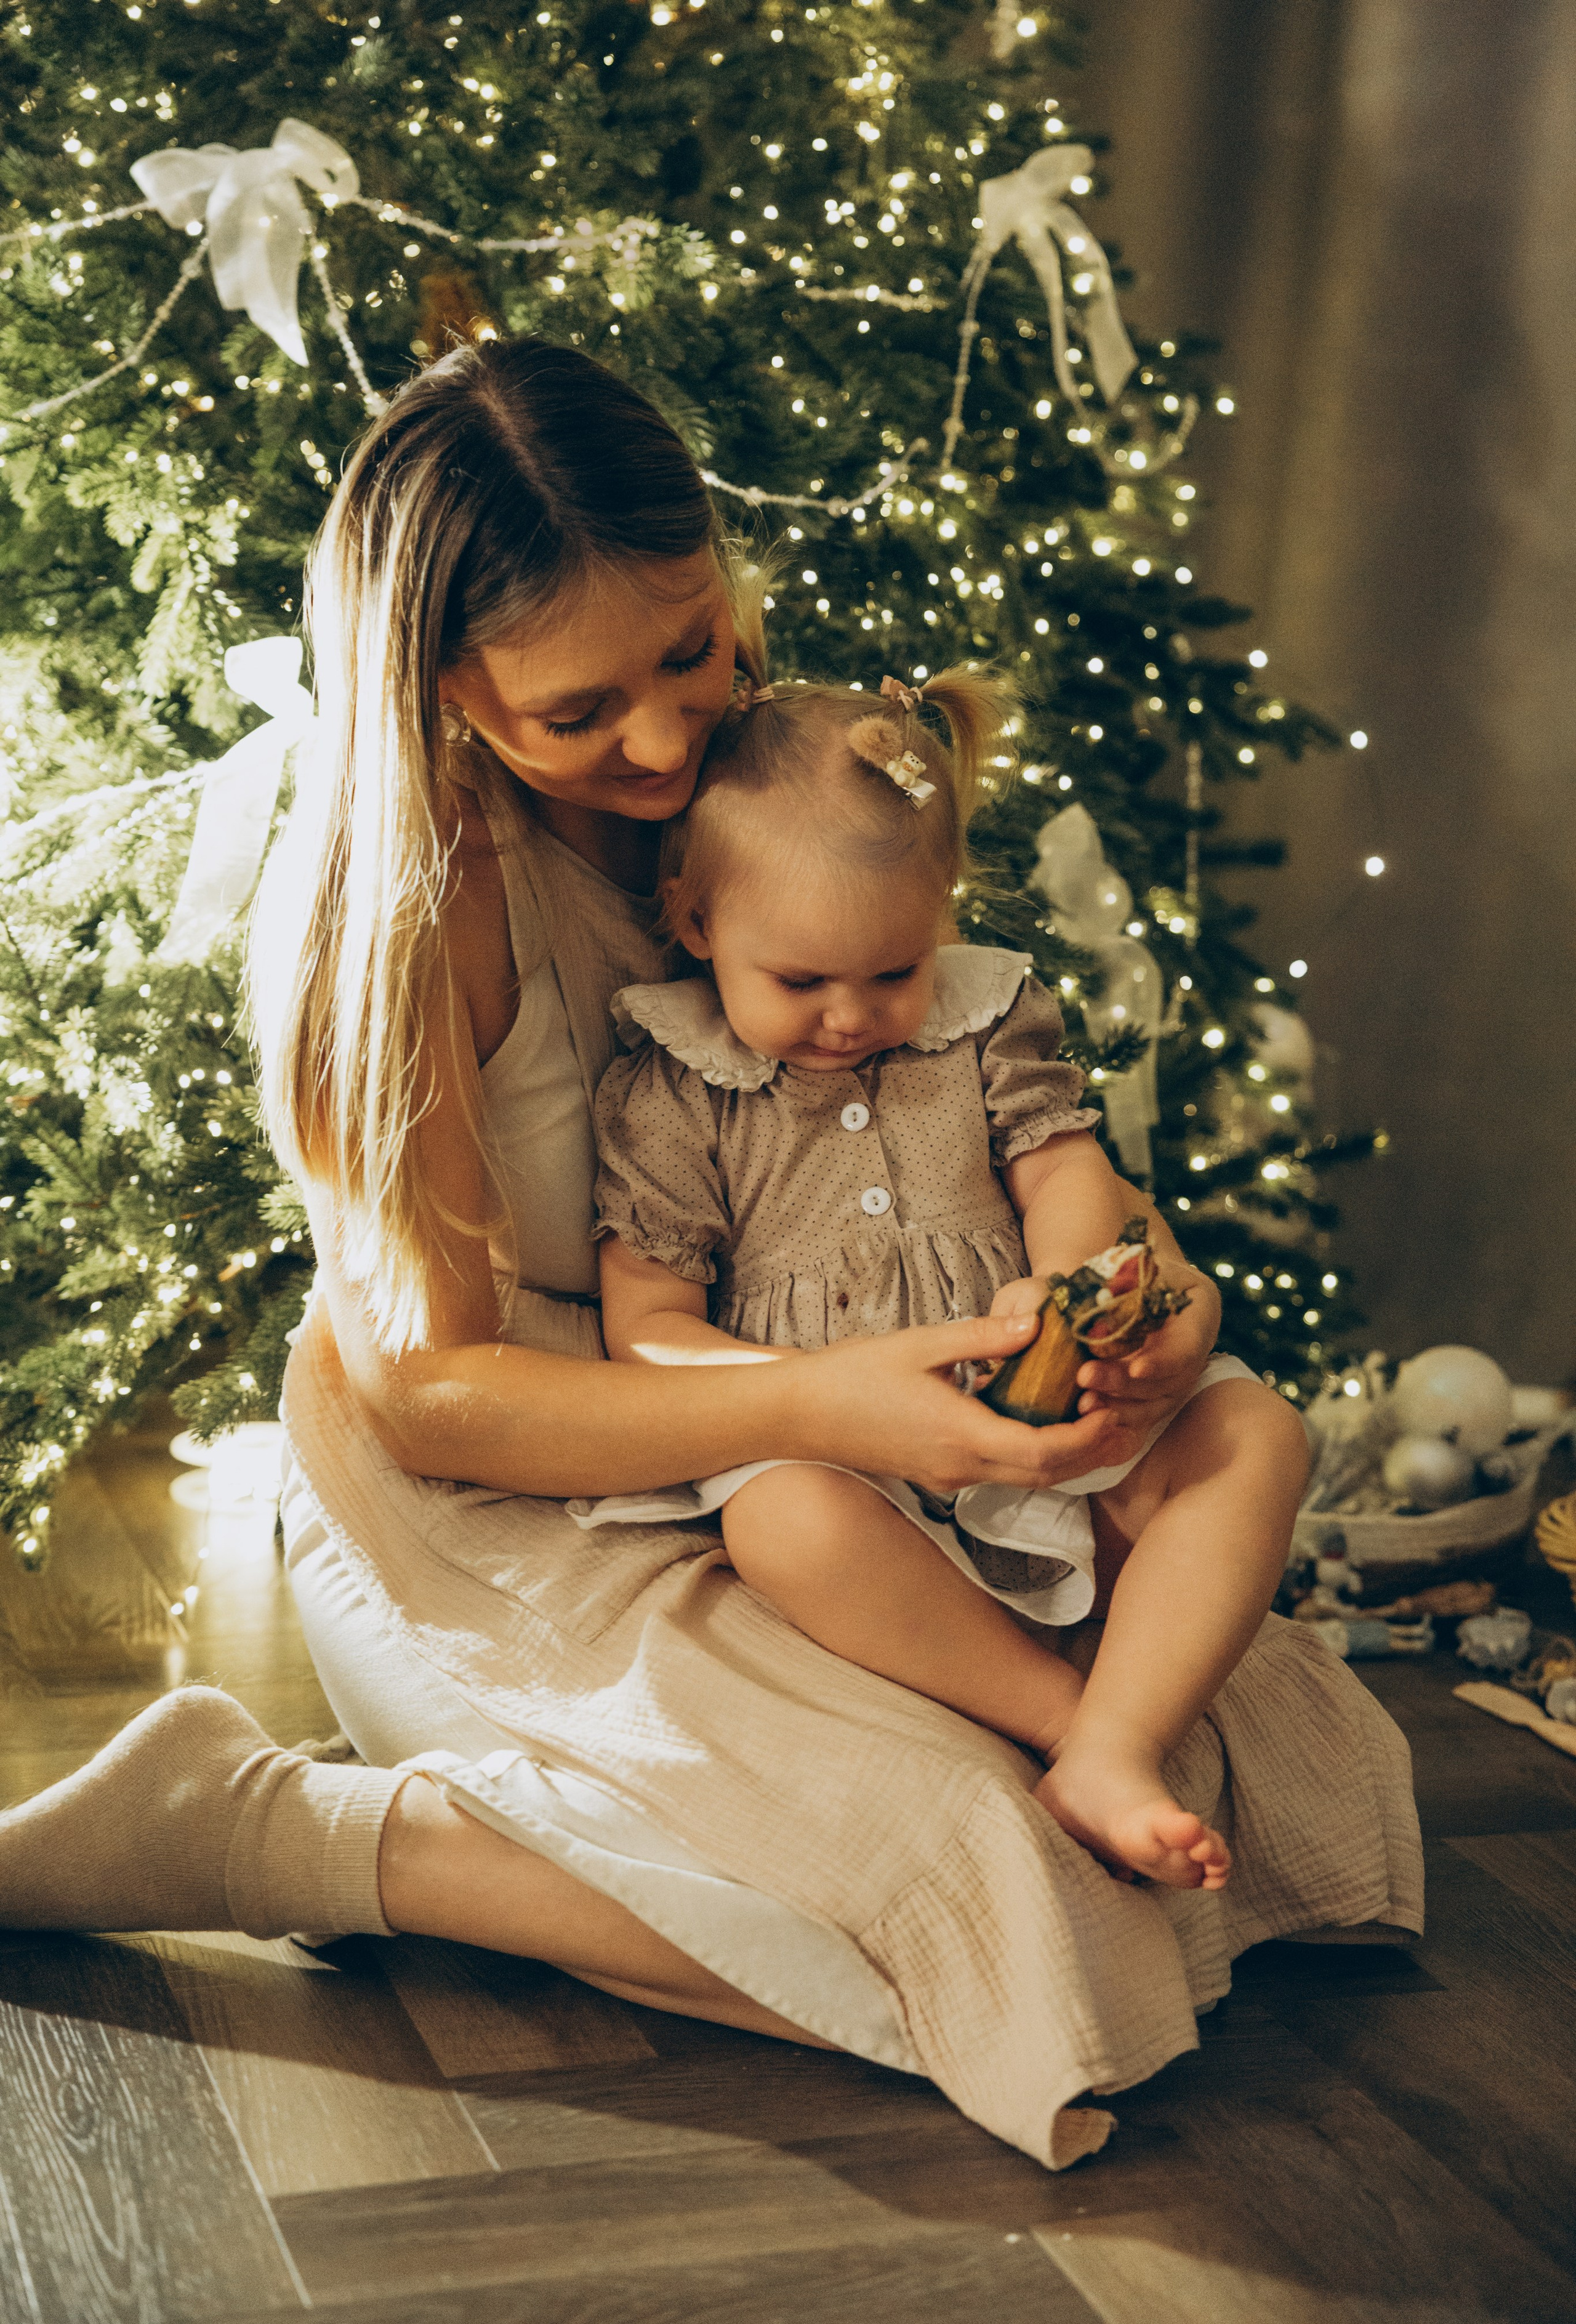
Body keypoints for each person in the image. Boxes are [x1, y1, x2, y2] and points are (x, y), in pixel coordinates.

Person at [0, 335, 1422, 2172]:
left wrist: (1161, 1295)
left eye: (692, 650)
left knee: (1237, 1747)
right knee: (991, 1884)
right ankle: (270, 1832)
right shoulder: (402, 904)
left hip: (824, 1422)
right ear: (435, 688)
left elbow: (1004, 1126)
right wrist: (831, 1406)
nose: (666, 741)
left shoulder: (786, 781)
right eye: (579, 715)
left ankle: (973, 1779)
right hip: (511, 1486)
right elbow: (429, 1399)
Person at [589, 669, 1302, 1891]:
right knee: (777, 1517)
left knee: (1256, 1433)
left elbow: (1063, 1168)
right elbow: (646, 1322)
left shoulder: (984, 1022)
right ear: (695, 922)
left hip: (1025, 1406)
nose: (849, 1016)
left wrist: (1067, 1287)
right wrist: (812, 1393)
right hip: (845, 1458)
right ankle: (1067, 1724)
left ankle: (1115, 1736)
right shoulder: (676, 1091)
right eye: (801, 982)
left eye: (890, 970)